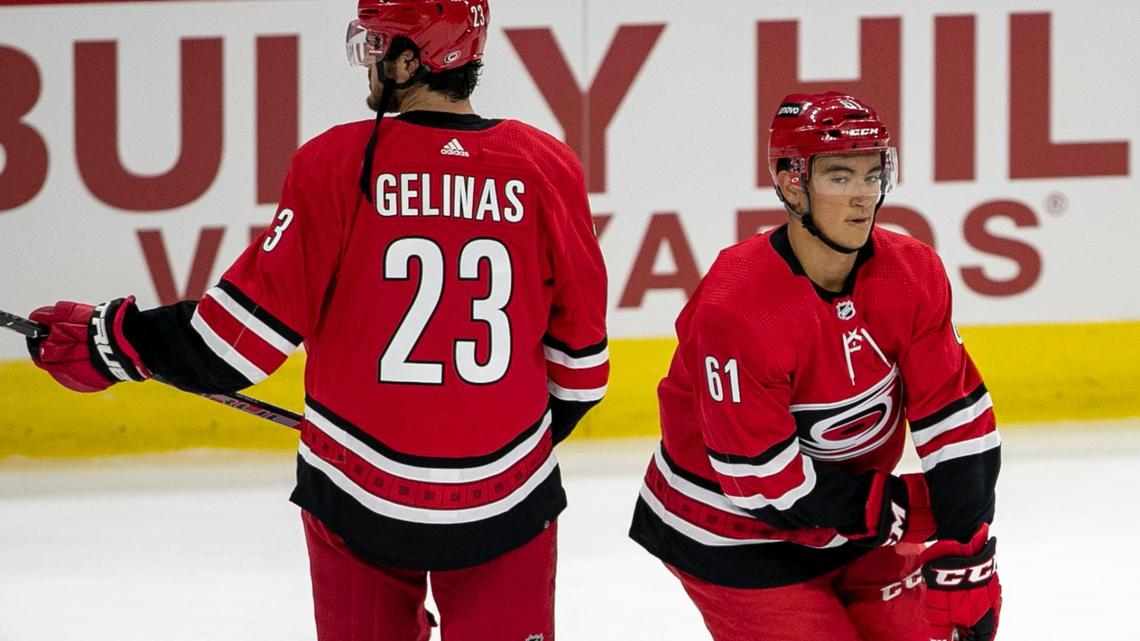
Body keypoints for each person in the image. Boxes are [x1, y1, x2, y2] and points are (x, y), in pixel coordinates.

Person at [25, 1, 609, 639]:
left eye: (379, 44)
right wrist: (491, 451)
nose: (368, 61)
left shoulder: (335, 164)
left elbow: (232, 348)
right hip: (509, 502)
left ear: (411, 59)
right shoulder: (548, 166)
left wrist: (113, 341)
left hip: (357, 496)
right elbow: (581, 374)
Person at [628, 92, 1002, 641]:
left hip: (851, 521)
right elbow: (762, 481)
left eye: (873, 175)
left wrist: (966, 545)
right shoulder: (737, 307)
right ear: (789, 183)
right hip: (736, 535)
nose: (862, 198)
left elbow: (956, 419)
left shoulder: (913, 271)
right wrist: (899, 509)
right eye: (840, 177)